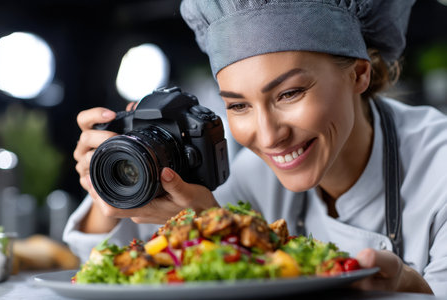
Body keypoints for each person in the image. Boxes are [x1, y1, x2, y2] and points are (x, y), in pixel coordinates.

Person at [63, 0, 447, 295]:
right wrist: (110, 185)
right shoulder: (252, 177)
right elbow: (108, 271)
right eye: (238, 105)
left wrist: (411, 288)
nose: (267, 136)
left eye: (290, 93)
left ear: (359, 73)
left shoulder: (439, 169)